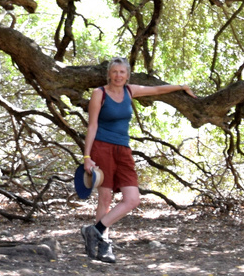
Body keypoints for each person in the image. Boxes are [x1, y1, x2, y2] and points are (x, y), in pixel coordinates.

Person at [81, 58, 196, 263]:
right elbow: (92, 126)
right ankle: (103, 245)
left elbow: (157, 90)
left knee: (132, 199)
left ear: (128, 74)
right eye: (115, 72)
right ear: (109, 74)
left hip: (123, 150)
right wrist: (87, 157)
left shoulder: (130, 91)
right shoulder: (99, 93)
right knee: (105, 198)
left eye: (122, 72)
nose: (118, 76)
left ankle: (95, 231)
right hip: (102, 148)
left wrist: (181, 86)